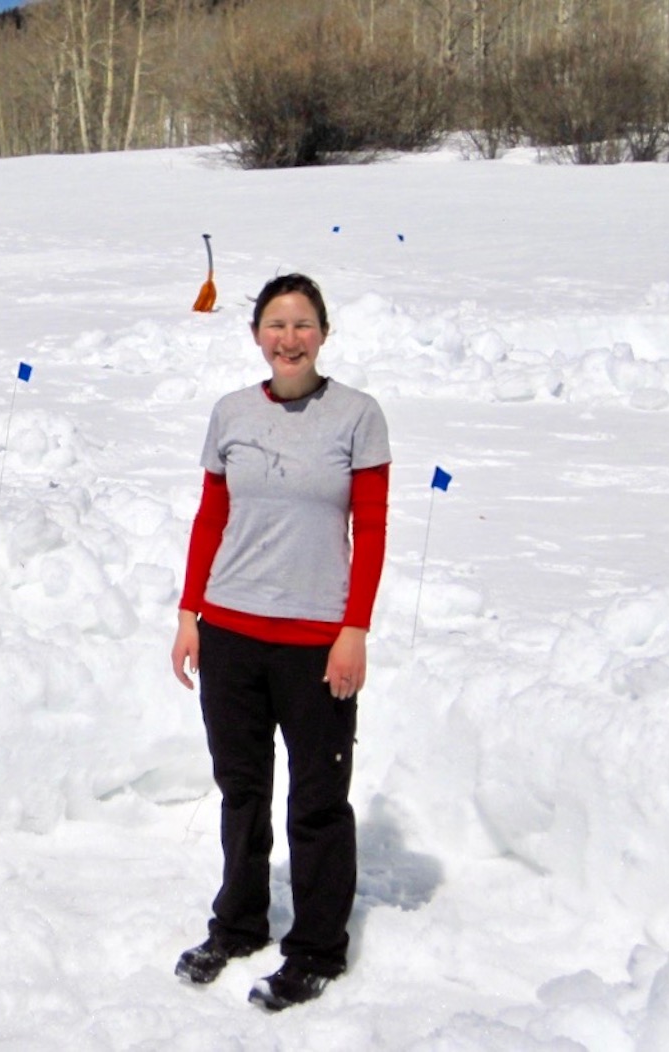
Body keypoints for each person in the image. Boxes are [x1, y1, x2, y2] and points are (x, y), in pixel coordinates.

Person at [170, 273, 391, 1011]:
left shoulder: (357, 416)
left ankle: (318, 948)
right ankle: (237, 923)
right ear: (257, 335)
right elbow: (210, 519)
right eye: (275, 325)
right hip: (230, 629)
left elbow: (373, 528)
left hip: (316, 640)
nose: (288, 339)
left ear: (323, 334)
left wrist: (352, 630)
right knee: (242, 789)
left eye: (302, 325)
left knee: (318, 800)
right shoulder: (230, 412)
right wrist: (189, 613)